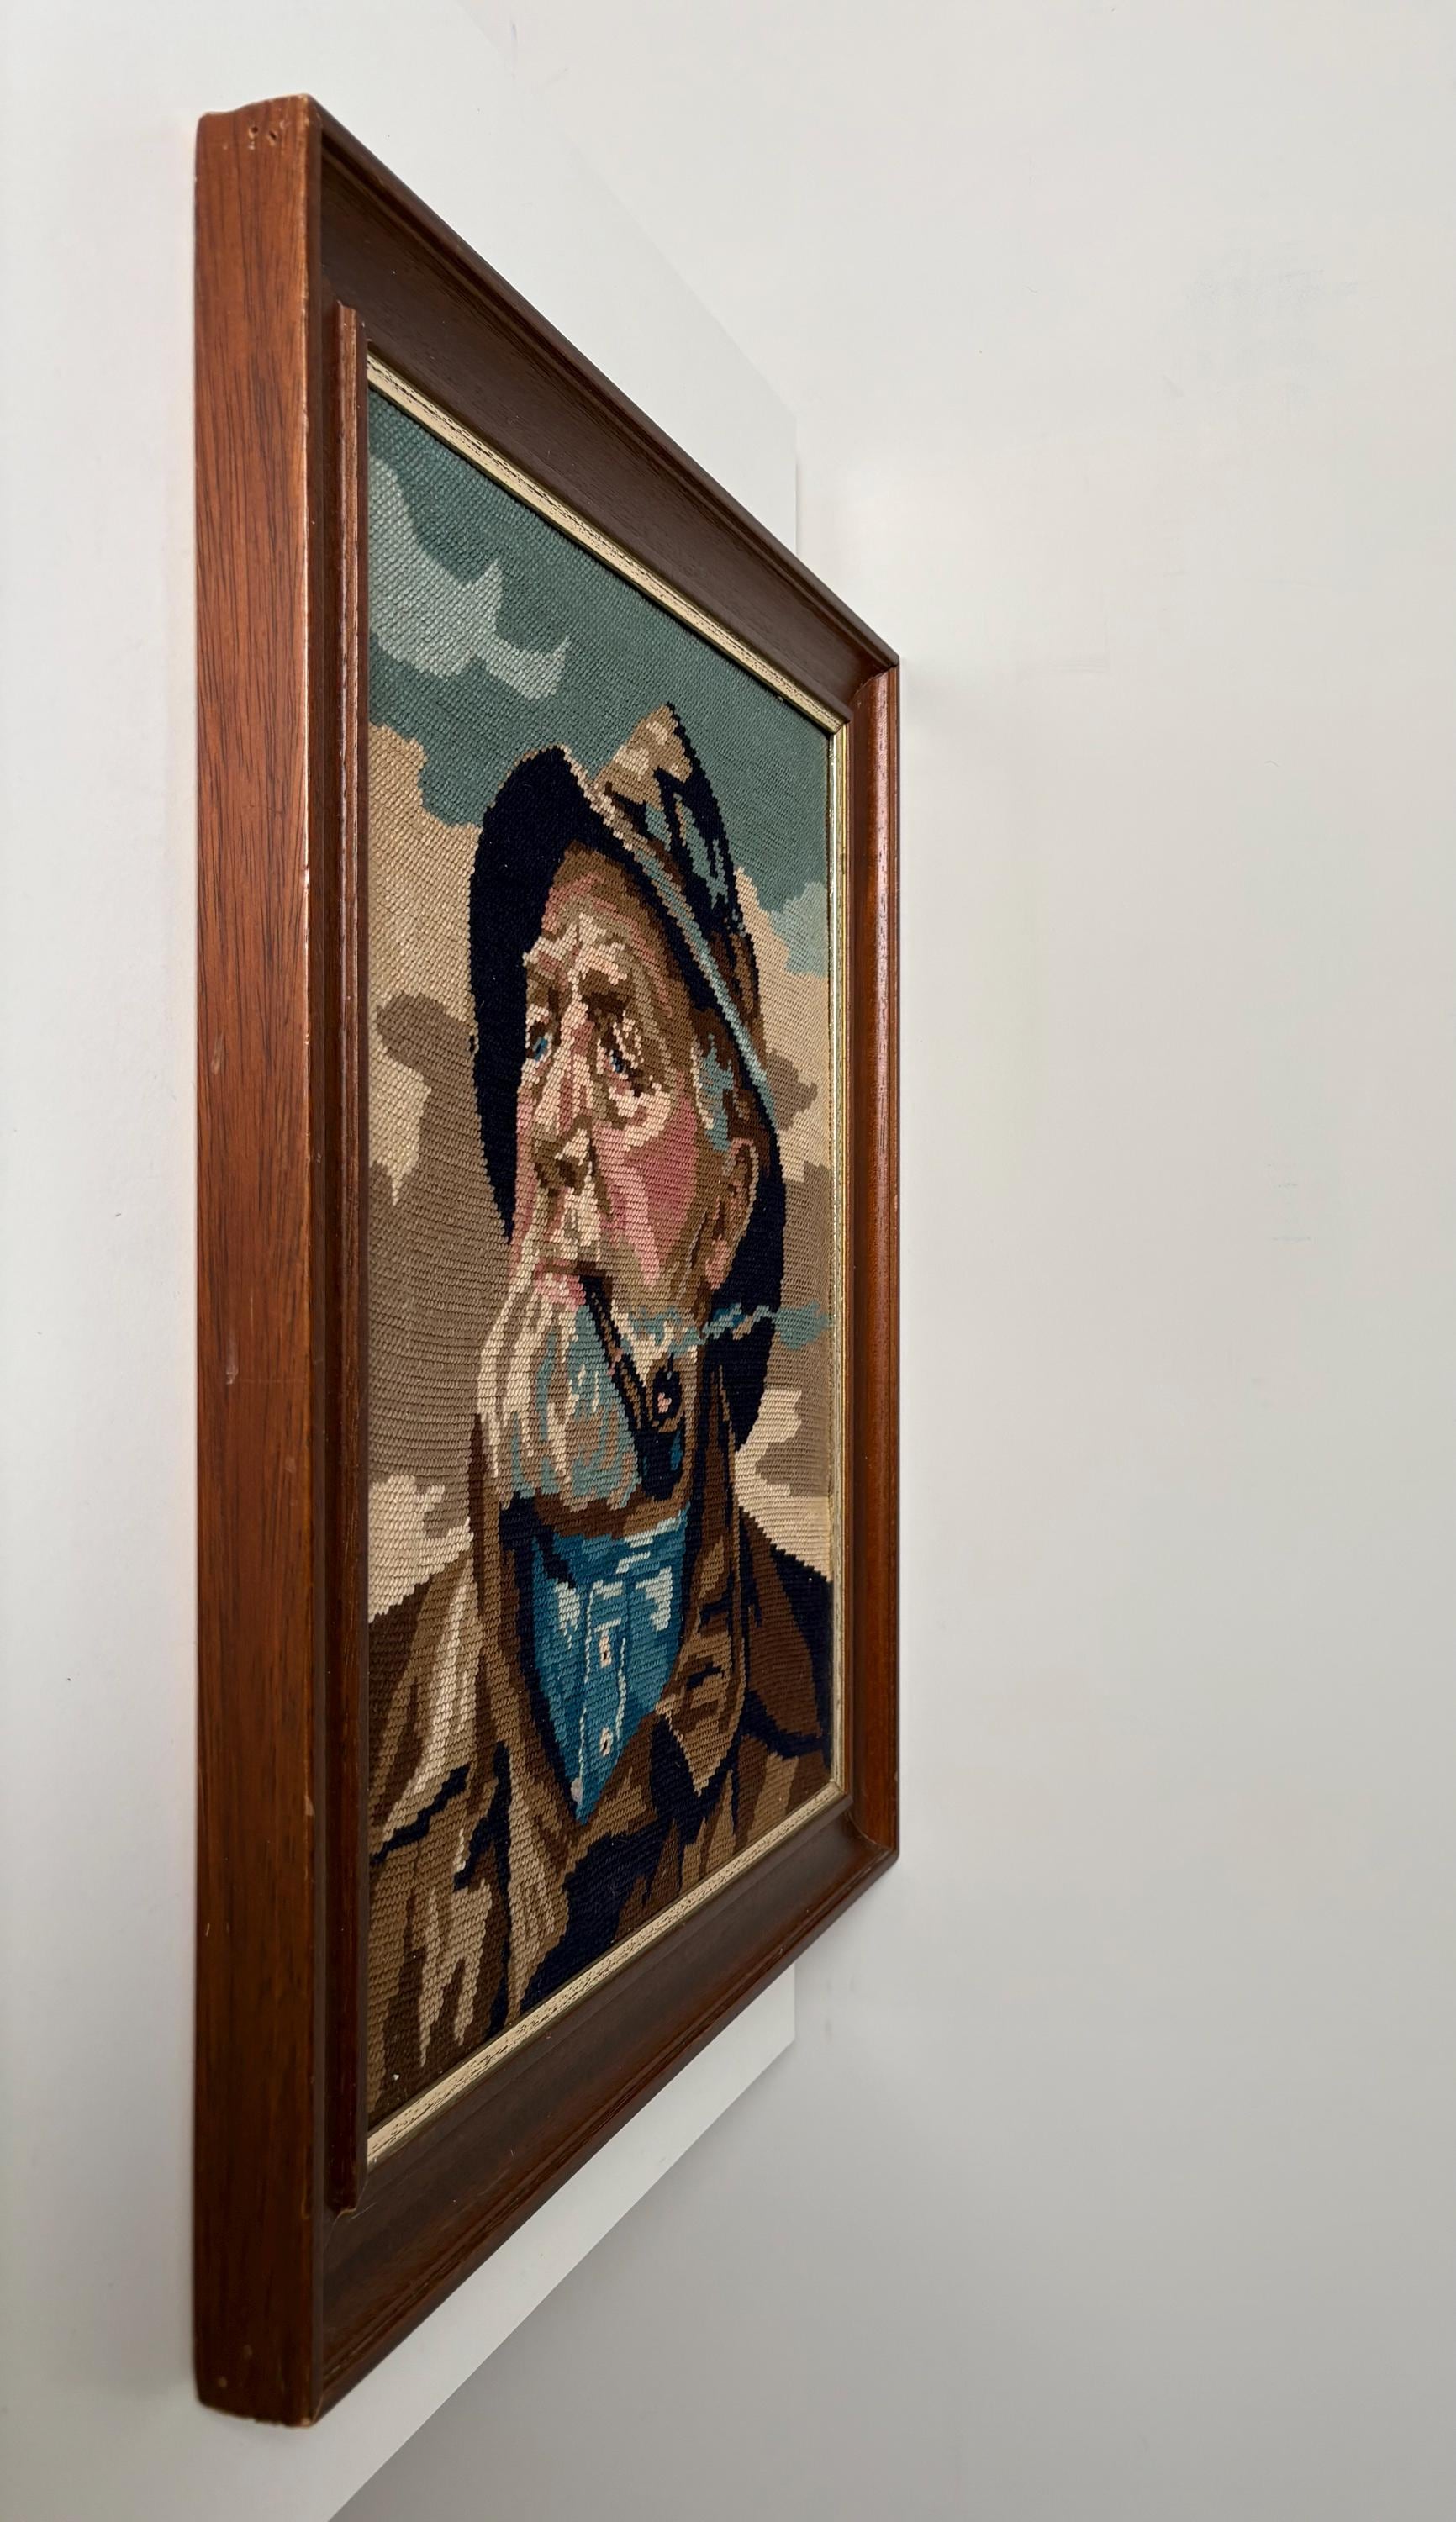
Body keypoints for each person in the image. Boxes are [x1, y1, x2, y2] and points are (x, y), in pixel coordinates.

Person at [367, 703, 831, 2126]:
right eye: (537, 1034)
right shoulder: (358, 1718)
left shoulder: (833, 1693)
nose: (553, 1123)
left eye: (621, 1050)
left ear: (725, 1211)